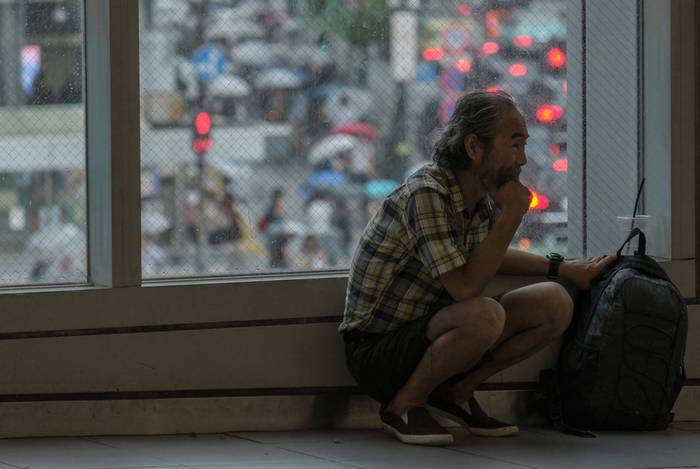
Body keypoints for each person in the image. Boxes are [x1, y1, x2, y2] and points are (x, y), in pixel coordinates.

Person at [338, 90, 617, 446]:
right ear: (474, 147)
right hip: (378, 351)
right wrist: (513, 215)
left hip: (435, 331)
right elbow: (465, 289)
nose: (523, 159)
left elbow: (489, 253)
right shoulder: (427, 193)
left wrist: (563, 269)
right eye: (514, 145)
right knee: (484, 314)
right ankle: (403, 405)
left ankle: (455, 393)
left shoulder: (480, 195)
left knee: (554, 302)